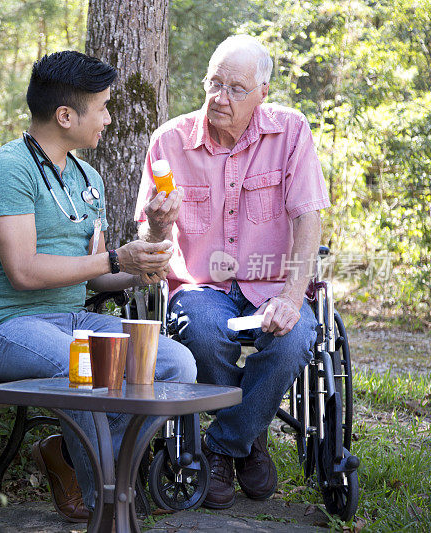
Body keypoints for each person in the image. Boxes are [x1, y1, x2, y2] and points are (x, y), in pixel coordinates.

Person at [0, 50, 197, 522]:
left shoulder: (85, 177)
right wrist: (115, 256)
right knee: (93, 369)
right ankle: (109, 508)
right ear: (66, 115)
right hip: (4, 326)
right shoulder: (7, 169)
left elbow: (102, 274)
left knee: (177, 363)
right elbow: (24, 271)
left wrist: (152, 239)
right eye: (103, 107)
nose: (109, 119)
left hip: (71, 322)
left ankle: (71, 461)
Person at [135, 34, 330, 509]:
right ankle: (250, 433)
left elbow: (308, 216)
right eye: (214, 83)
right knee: (201, 330)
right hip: (201, 286)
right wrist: (159, 225)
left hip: (272, 284)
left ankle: (225, 445)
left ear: (263, 92)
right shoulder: (169, 142)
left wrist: (290, 295)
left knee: (295, 336)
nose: (220, 98)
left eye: (236, 88)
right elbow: (150, 246)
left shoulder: (290, 131)